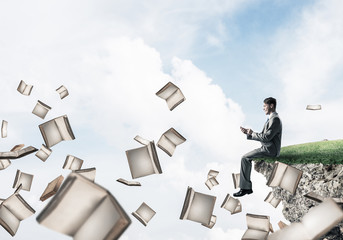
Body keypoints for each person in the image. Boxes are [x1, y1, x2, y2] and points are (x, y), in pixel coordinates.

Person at [233, 97, 282, 197]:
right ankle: (246, 188)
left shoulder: (275, 119)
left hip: (270, 150)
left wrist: (253, 133)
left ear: (271, 105)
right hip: (267, 148)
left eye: (264, 106)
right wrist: (249, 133)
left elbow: (266, 137)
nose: (263, 108)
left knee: (245, 158)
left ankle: (245, 188)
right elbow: (264, 136)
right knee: (245, 158)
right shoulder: (271, 119)